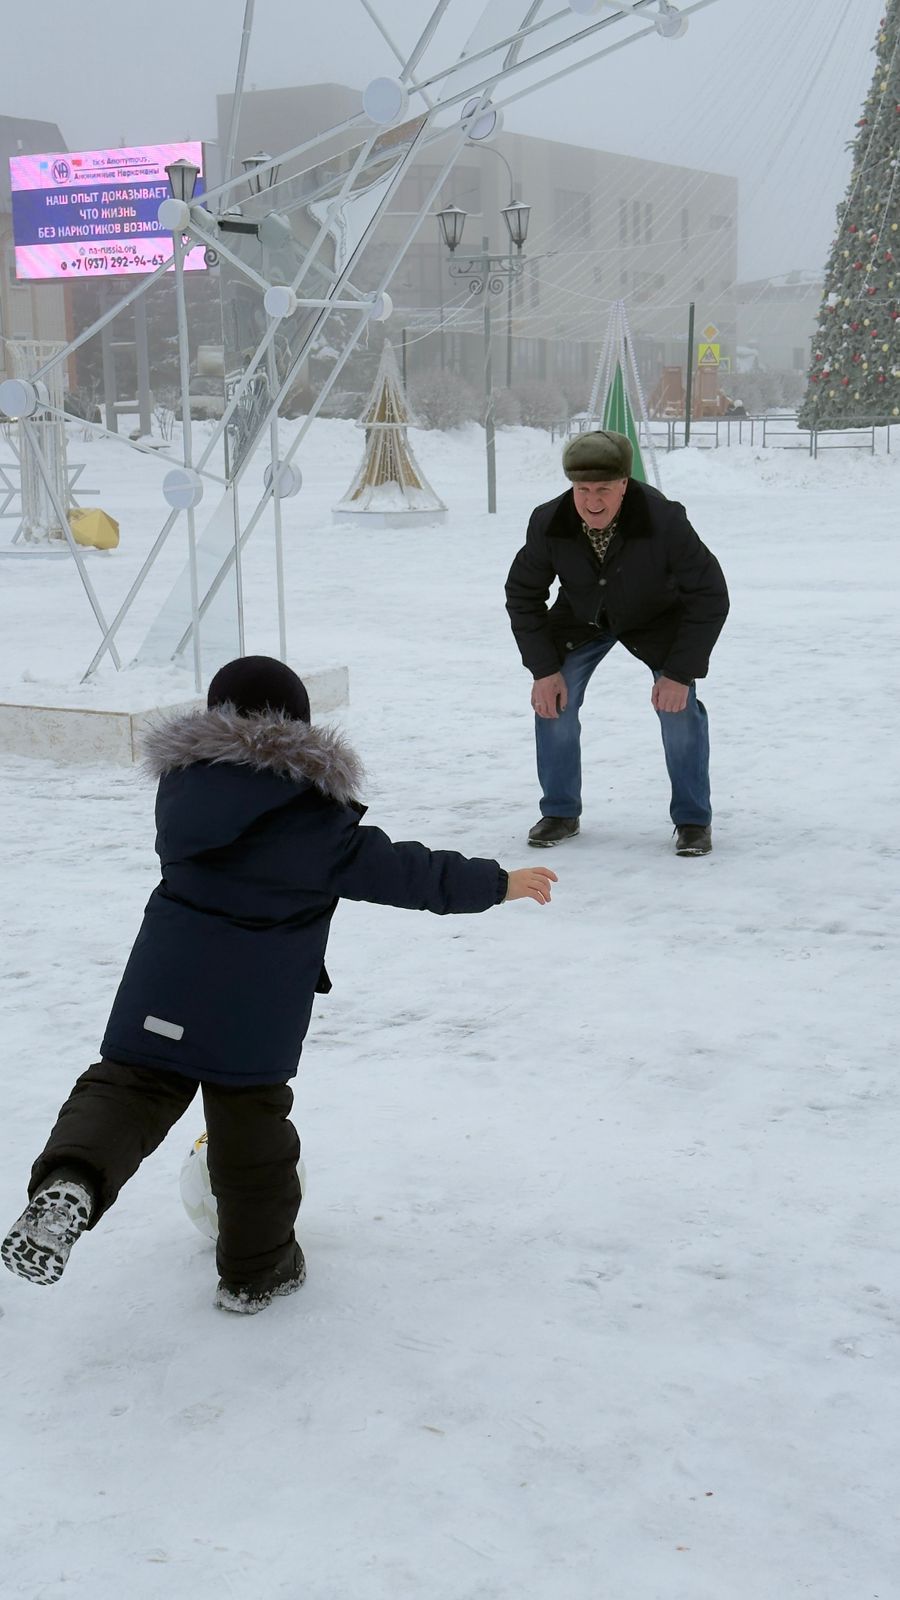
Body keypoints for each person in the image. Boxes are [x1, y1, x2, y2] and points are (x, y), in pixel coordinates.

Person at [2, 656, 556, 1315]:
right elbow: (410, 873)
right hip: (255, 1011)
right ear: (299, 726)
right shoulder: (316, 821)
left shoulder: (182, 796)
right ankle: (255, 1273)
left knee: (127, 1089)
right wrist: (497, 883)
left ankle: (72, 1182)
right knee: (250, 1137)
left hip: (163, 985)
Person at [505, 429, 729, 856]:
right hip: (582, 618)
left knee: (679, 711)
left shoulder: (665, 521)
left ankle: (693, 820)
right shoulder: (549, 521)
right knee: (554, 702)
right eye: (582, 489)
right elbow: (522, 593)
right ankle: (560, 811)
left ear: (624, 484)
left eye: (604, 489)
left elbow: (711, 595)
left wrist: (679, 673)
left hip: (656, 619)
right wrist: (543, 670)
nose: (592, 501)